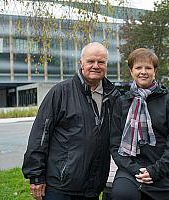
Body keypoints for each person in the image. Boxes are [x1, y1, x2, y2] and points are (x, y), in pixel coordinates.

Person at [22, 42, 120, 200]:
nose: (96, 66)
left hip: (93, 187)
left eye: (101, 62)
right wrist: (36, 175)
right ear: (81, 63)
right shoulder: (61, 92)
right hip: (60, 186)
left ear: (106, 64)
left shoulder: (114, 97)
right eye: (90, 61)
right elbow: (40, 134)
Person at [109, 48, 169, 200]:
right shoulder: (122, 102)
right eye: (138, 67)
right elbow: (115, 145)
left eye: (148, 68)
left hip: (163, 167)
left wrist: (156, 170)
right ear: (131, 71)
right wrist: (137, 170)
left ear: (154, 71)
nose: (143, 72)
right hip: (130, 168)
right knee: (122, 195)